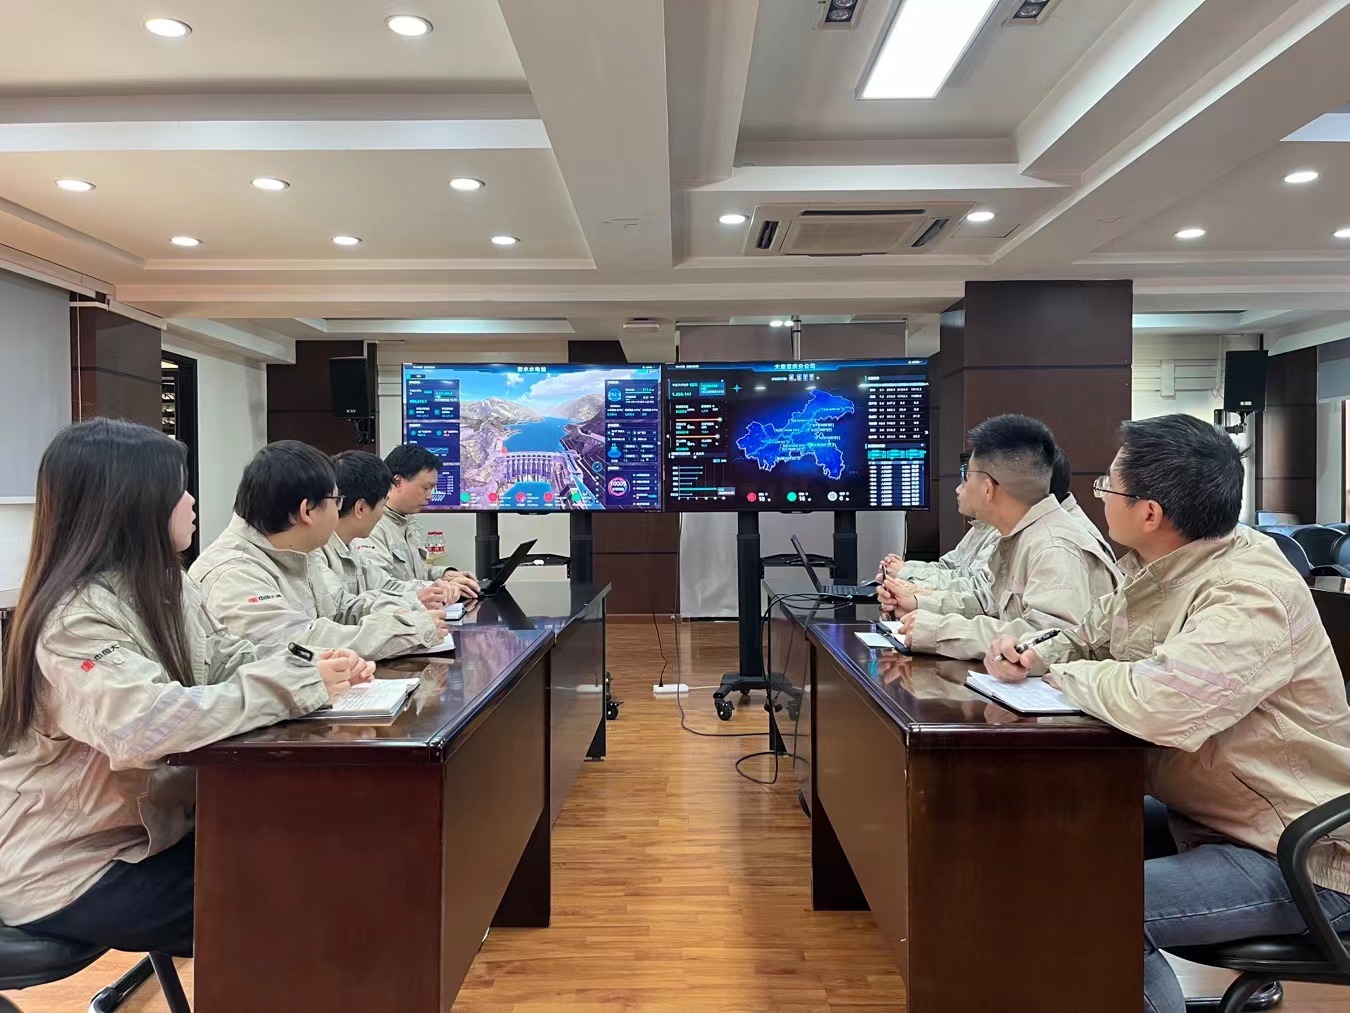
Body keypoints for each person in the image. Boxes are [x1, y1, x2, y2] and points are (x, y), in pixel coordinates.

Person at [983, 414, 1350, 1013]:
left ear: (1149, 512)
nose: (1099, 495)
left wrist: (1057, 676)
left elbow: (1160, 703)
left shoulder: (1248, 594)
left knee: (1088, 904)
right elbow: (1091, 636)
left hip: (1293, 852)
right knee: (1049, 832)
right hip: (1213, 813)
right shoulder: (1165, 566)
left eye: (1109, 485)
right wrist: (1035, 652)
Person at [0, 419, 373, 956]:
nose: (193, 501)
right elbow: (145, 725)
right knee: (307, 897)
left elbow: (221, 657)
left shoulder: (165, 583)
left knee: (335, 852)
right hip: (77, 865)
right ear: (134, 504)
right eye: (179, 490)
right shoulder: (73, 618)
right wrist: (290, 685)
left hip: (157, 831)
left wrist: (312, 665)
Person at [878, 414, 1120, 660]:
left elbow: (1050, 641)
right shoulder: (1023, 534)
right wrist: (918, 603)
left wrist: (939, 631)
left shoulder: (1054, 547)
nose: (960, 487)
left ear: (987, 488)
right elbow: (990, 605)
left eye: (967, 477)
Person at [190, 441, 449, 659]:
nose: (340, 511)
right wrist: (406, 631)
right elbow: (302, 642)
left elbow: (342, 608)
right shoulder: (232, 572)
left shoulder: (301, 552)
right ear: (307, 511)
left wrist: (401, 613)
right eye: (336, 501)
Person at [323, 450, 462, 607]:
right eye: (425, 488)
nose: (430, 496)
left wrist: (437, 584)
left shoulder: (351, 549)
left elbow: (384, 584)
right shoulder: (319, 556)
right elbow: (348, 610)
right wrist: (409, 607)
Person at [354, 444, 479, 594]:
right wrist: (437, 588)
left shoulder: (405, 524)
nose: (430, 496)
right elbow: (379, 586)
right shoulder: (372, 527)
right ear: (397, 481)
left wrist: (444, 576)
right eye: (426, 488)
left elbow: (414, 576)